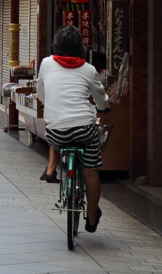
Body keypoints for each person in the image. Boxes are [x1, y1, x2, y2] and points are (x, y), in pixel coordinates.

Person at [36, 25, 110, 233]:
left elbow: (41, 93)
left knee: (58, 140)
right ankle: (92, 217)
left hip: (56, 131)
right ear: (79, 46)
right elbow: (101, 101)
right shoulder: (88, 69)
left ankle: (53, 170)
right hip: (84, 129)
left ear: (56, 45)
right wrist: (104, 106)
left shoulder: (46, 63)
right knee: (91, 172)